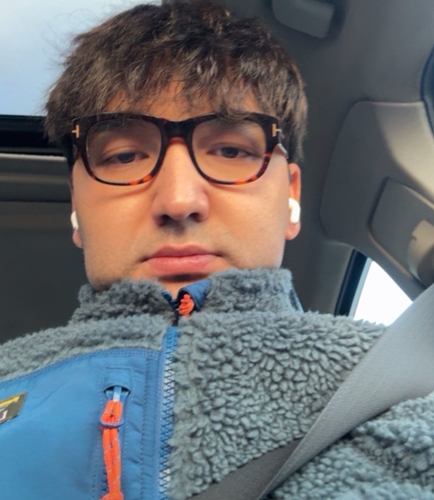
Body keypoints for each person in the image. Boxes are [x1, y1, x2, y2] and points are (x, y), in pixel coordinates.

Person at [0, 1, 432, 499]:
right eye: (124, 156)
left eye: (231, 151)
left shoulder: (410, 387)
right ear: (77, 207)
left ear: (290, 196)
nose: (179, 200)